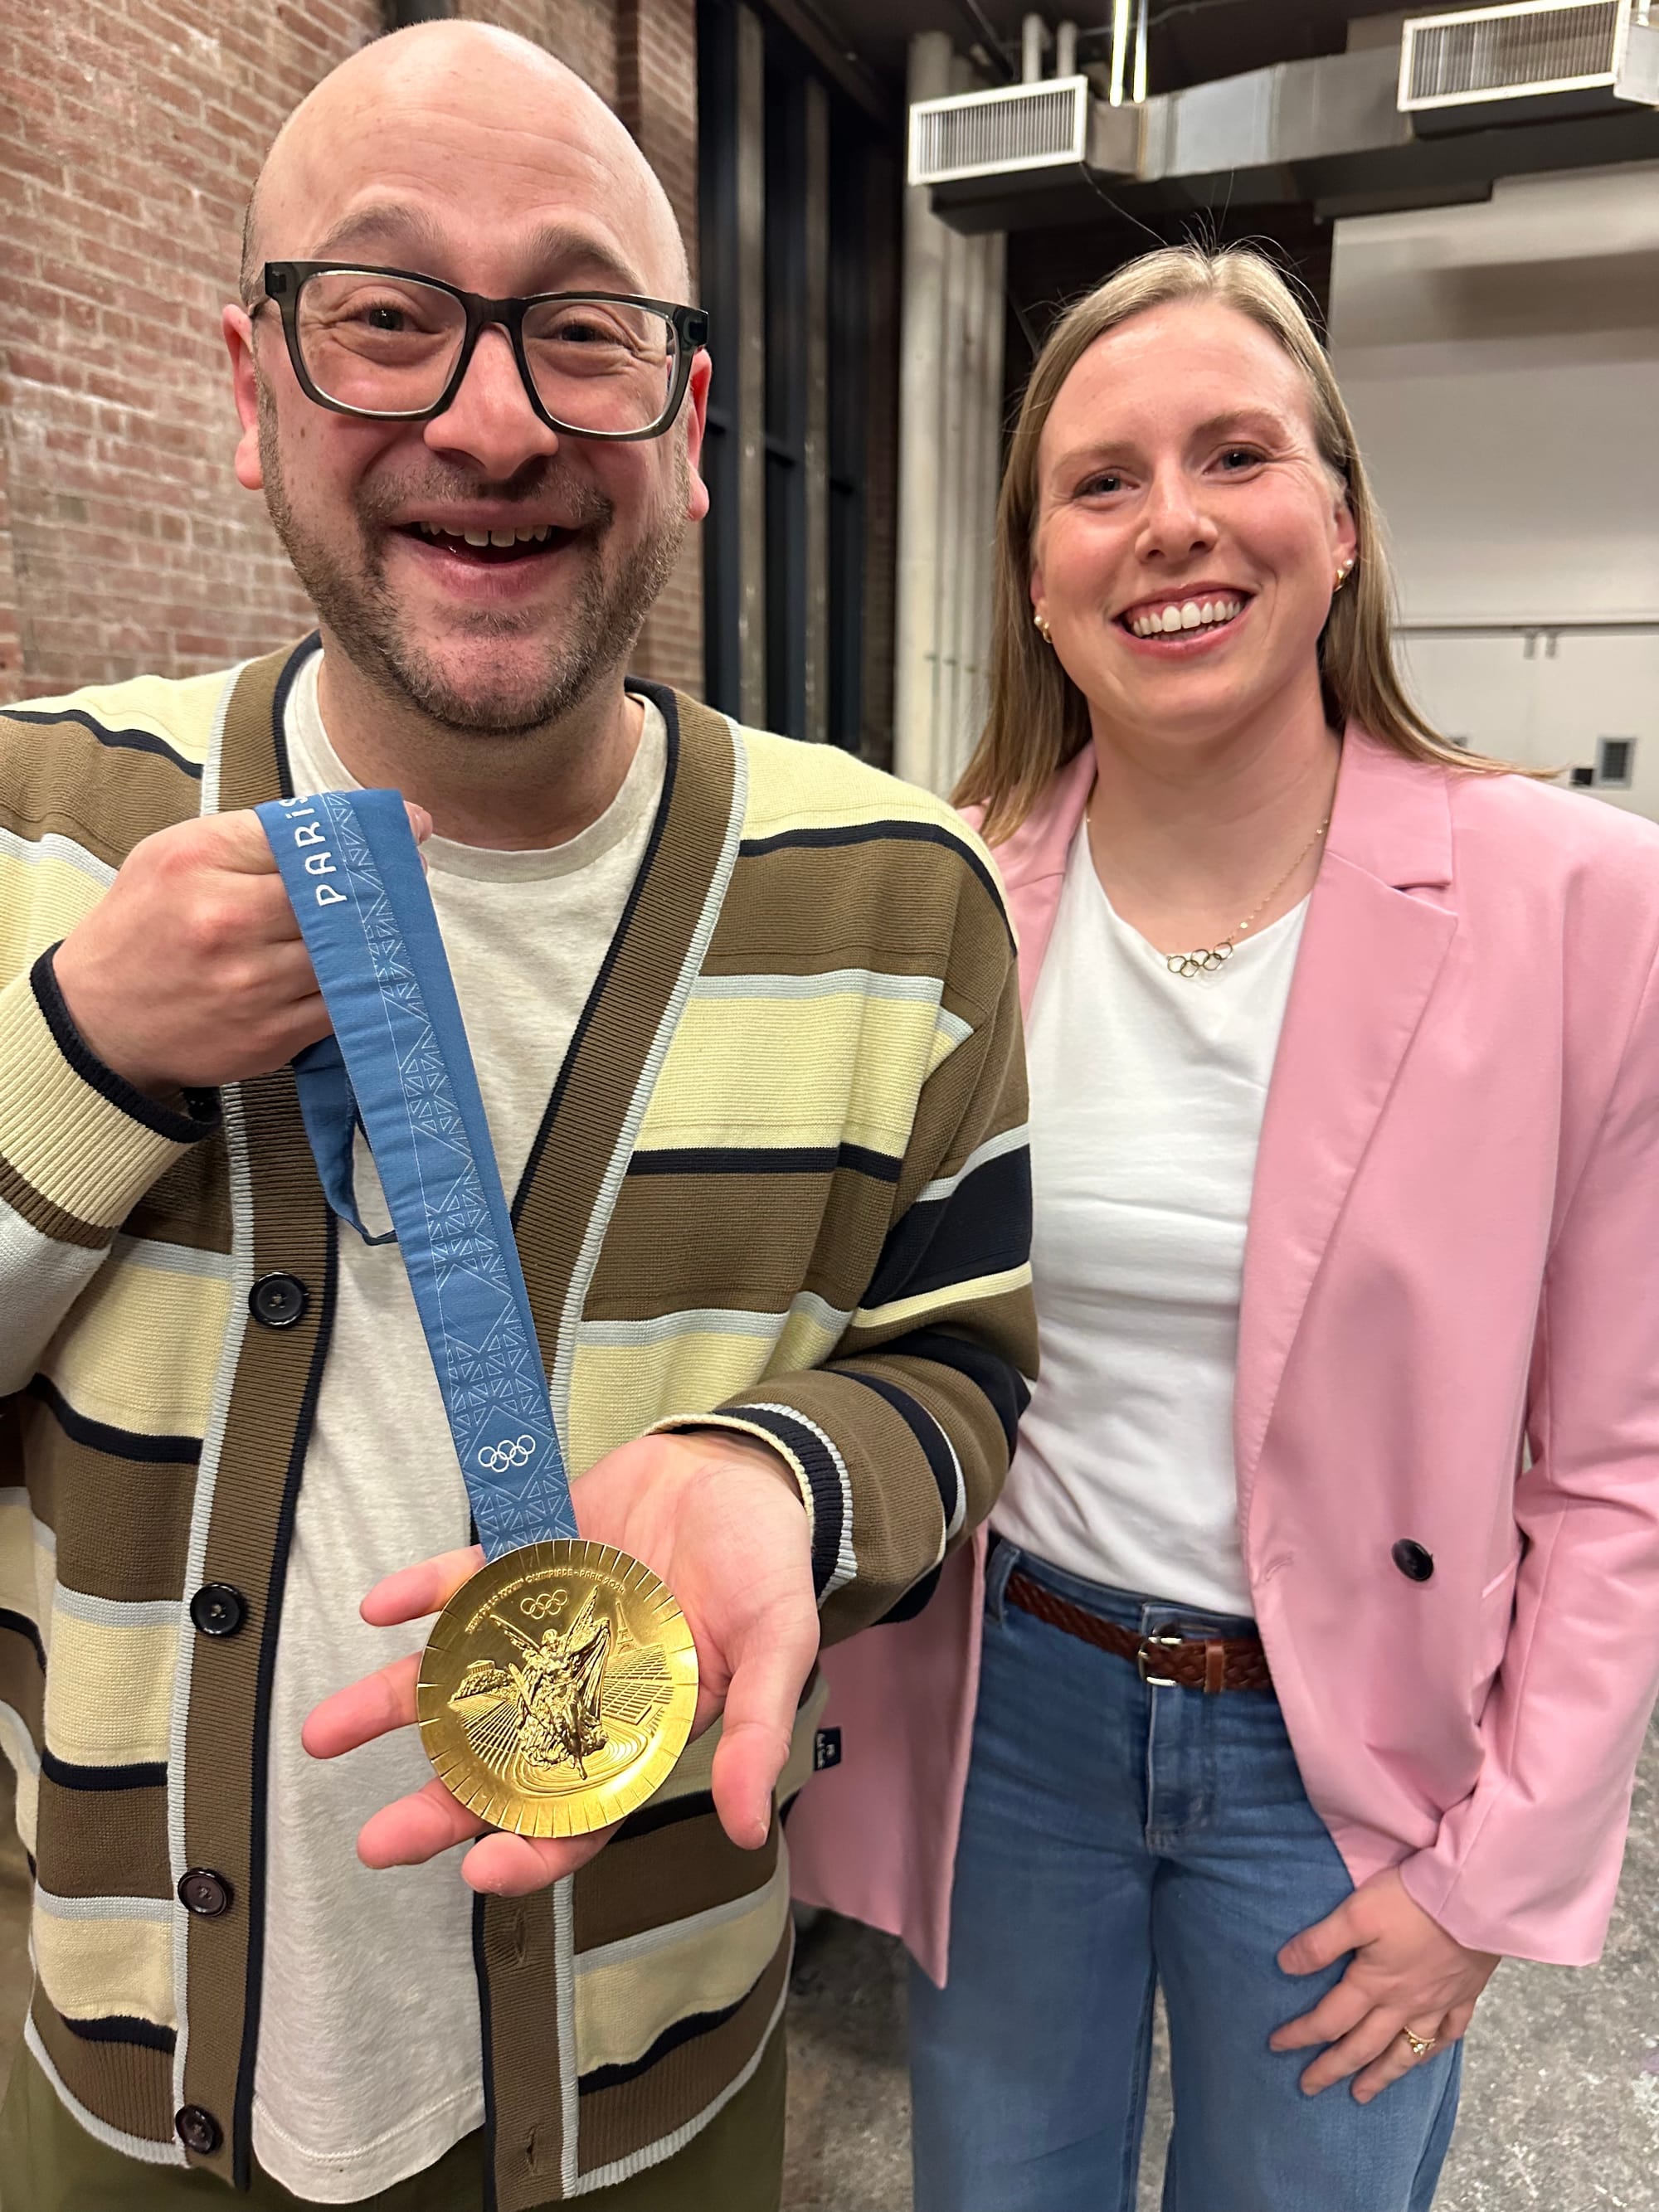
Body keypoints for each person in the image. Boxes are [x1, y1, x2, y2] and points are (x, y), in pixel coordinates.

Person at [0, 22, 1034, 2209]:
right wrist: (84, 1057)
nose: (492, 418)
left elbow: (967, 1367)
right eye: (388, 318)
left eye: (579, 330)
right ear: (251, 373)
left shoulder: (893, 894)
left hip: (643, 2073)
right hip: (111, 2066)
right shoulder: (37, 827)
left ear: (687, 421)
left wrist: (791, 1478)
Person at [785, 244, 1659, 2211]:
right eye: (1100, 481)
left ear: (1339, 522)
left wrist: (1491, 1868)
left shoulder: (1576, 906)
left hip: (1348, 1759)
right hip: (1012, 1708)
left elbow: (1616, 1465)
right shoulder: (947, 905)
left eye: (1235, 454)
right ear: (1032, 574)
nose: (1170, 521)